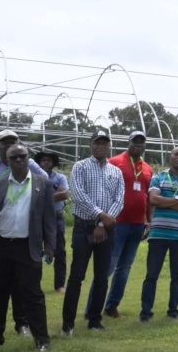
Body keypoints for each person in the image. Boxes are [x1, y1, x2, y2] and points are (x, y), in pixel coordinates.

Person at [0, 144, 56, 351]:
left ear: (28, 159)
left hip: (27, 246)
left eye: (22, 156)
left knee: (33, 295)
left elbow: (49, 221)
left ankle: (42, 340)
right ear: (7, 161)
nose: (18, 160)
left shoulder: (43, 184)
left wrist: (50, 246)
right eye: (13, 157)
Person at [0, 129, 44, 335]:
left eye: (13, 142)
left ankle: (21, 322)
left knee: (21, 281)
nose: (8, 146)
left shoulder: (27, 163)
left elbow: (45, 180)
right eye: (4, 143)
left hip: (20, 228)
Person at [61, 130, 124, 336]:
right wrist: (99, 216)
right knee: (77, 275)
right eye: (97, 143)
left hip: (106, 229)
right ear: (91, 145)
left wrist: (104, 222)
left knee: (102, 277)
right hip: (83, 227)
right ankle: (68, 323)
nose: (100, 146)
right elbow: (78, 195)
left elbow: (119, 199)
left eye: (104, 143)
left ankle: (95, 320)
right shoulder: (80, 167)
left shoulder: (116, 171)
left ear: (109, 146)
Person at [85, 131, 153, 318]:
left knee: (125, 268)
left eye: (141, 143)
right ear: (128, 143)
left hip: (137, 224)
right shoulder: (115, 162)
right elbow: (103, 191)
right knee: (108, 267)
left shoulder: (147, 168)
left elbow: (148, 197)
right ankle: (92, 309)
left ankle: (111, 305)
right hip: (117, 223)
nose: (138, 145)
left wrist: (149, 221)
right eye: (135, 142)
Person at [139, 146, 178, 321]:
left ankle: (173, 311)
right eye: (176, 154)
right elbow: (153, 199)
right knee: (151, 275)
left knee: (177, 275)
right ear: (170, 157)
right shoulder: (158, 177)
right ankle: (145, 312)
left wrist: (166, 202)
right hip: (158, 234)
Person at [34, 150, 70, 293]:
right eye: (44, 160)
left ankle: (60, 285)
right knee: (35, 250)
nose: (46, 162)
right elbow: (31, 197)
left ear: (53, 163)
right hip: (38, 217)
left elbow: (64, 194)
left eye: (49, 160)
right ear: (39, 163)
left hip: (56, 216)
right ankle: (35, 283)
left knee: (60, 251)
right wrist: (54, 194)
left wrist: (42, 197)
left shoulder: (60, 177)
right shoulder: (34, 177)